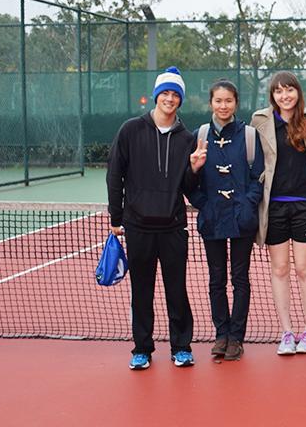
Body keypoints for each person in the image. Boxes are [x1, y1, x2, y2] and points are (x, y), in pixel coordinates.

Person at [107, 66, 205, 370]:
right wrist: (116, 216)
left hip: (174, 227)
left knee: (177, 290)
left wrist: (194, 169)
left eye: (176, 94)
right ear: (156, 95)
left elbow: (188, 189)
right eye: (165, 92)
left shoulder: (188, 138)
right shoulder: (130, 130)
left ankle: (181, 347)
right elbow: (115, 175)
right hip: (138, 227)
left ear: (180, 100)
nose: (170, 98)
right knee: (142, 291)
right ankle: (142, 348)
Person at [188, 80, 264, 362]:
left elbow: (258, 177)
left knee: (240, 278)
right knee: (216, 279)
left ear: (236, 102)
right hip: (212, 219)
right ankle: (221, 334)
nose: (223, 106)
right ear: (211, 103)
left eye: (228, 100)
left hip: (241, 218)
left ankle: (236, 337)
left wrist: (247, 204)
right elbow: (190, 178)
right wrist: (203, 205)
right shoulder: (199, 135)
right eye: (218, 101)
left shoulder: (249, 135)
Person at [251, 71, 306, 355]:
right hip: (274, 206)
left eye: (290, 90)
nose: (285, 95)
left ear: (298, 93)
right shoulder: (260, 122)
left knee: (305, 268)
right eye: (279, 91)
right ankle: (286, 332)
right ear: (273, 95)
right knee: (279, 269)